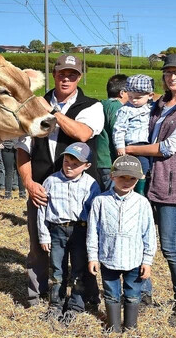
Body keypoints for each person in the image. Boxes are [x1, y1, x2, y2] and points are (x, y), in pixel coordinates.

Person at [126, 53, 176, 327]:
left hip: (174, 184)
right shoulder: (158, 105)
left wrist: (128, 149)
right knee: (140, 239)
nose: (173, 77)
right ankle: (144, 294)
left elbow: (169, 146)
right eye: (169, 72)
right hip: (146, 180)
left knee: (170, 245)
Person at [17, 53, 104, 309]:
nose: (66, 79)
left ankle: (84, 296)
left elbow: (82, 133)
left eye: (72, 75)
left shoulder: (91, 106)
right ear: (54, 75)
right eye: (62, 74)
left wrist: (52, 112)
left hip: (81, 191)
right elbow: (23, 149)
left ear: (79, 77)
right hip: (43, 188)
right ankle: (38, 295)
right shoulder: (34, 104)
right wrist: (30, 184)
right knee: (39, 246)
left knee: (83, 246)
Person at [87, 155, 156, 332]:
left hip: (134, 259)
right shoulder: (100, 201)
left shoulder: (142, 203)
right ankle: (114, 327)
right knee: (111, 294)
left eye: (131, 178)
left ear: (138, 179)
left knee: (133, 294)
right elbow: (93, 231)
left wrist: (147, 261)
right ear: (112, 176)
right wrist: (93, 257)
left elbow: (149, 234)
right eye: (122, 177)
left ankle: (131, 327)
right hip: (109, 258)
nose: (126, 182)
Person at [36, 142, 100, 323]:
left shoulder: (91, 184)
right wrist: (44, 235)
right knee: (57, 269)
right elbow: (42, 210)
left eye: (75, 163)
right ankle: (56, 304)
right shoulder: (51, 181)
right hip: (57, 231)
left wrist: (93, 237)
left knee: (79, 270)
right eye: (67, 160)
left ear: (86, 166)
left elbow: (95, 214)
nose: (69, 165)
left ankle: (75, 306)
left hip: (80, 231)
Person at [113, 74, 155, 195]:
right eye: (130, 97)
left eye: (138, 97)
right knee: (136, 169)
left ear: (150, 95)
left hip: (148, 145)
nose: (134, 100)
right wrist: (120, 146)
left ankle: (144, 191)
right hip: (132, 144)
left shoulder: (151, 108)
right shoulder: (126, 110)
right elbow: (119, 129)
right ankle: (138, 191)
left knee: (147, 169)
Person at [94, 74, 128, 191]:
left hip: (99, 160)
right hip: (111, 161)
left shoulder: (100, 104)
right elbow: (117, 132)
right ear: (122, 93)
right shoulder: (117, 107)